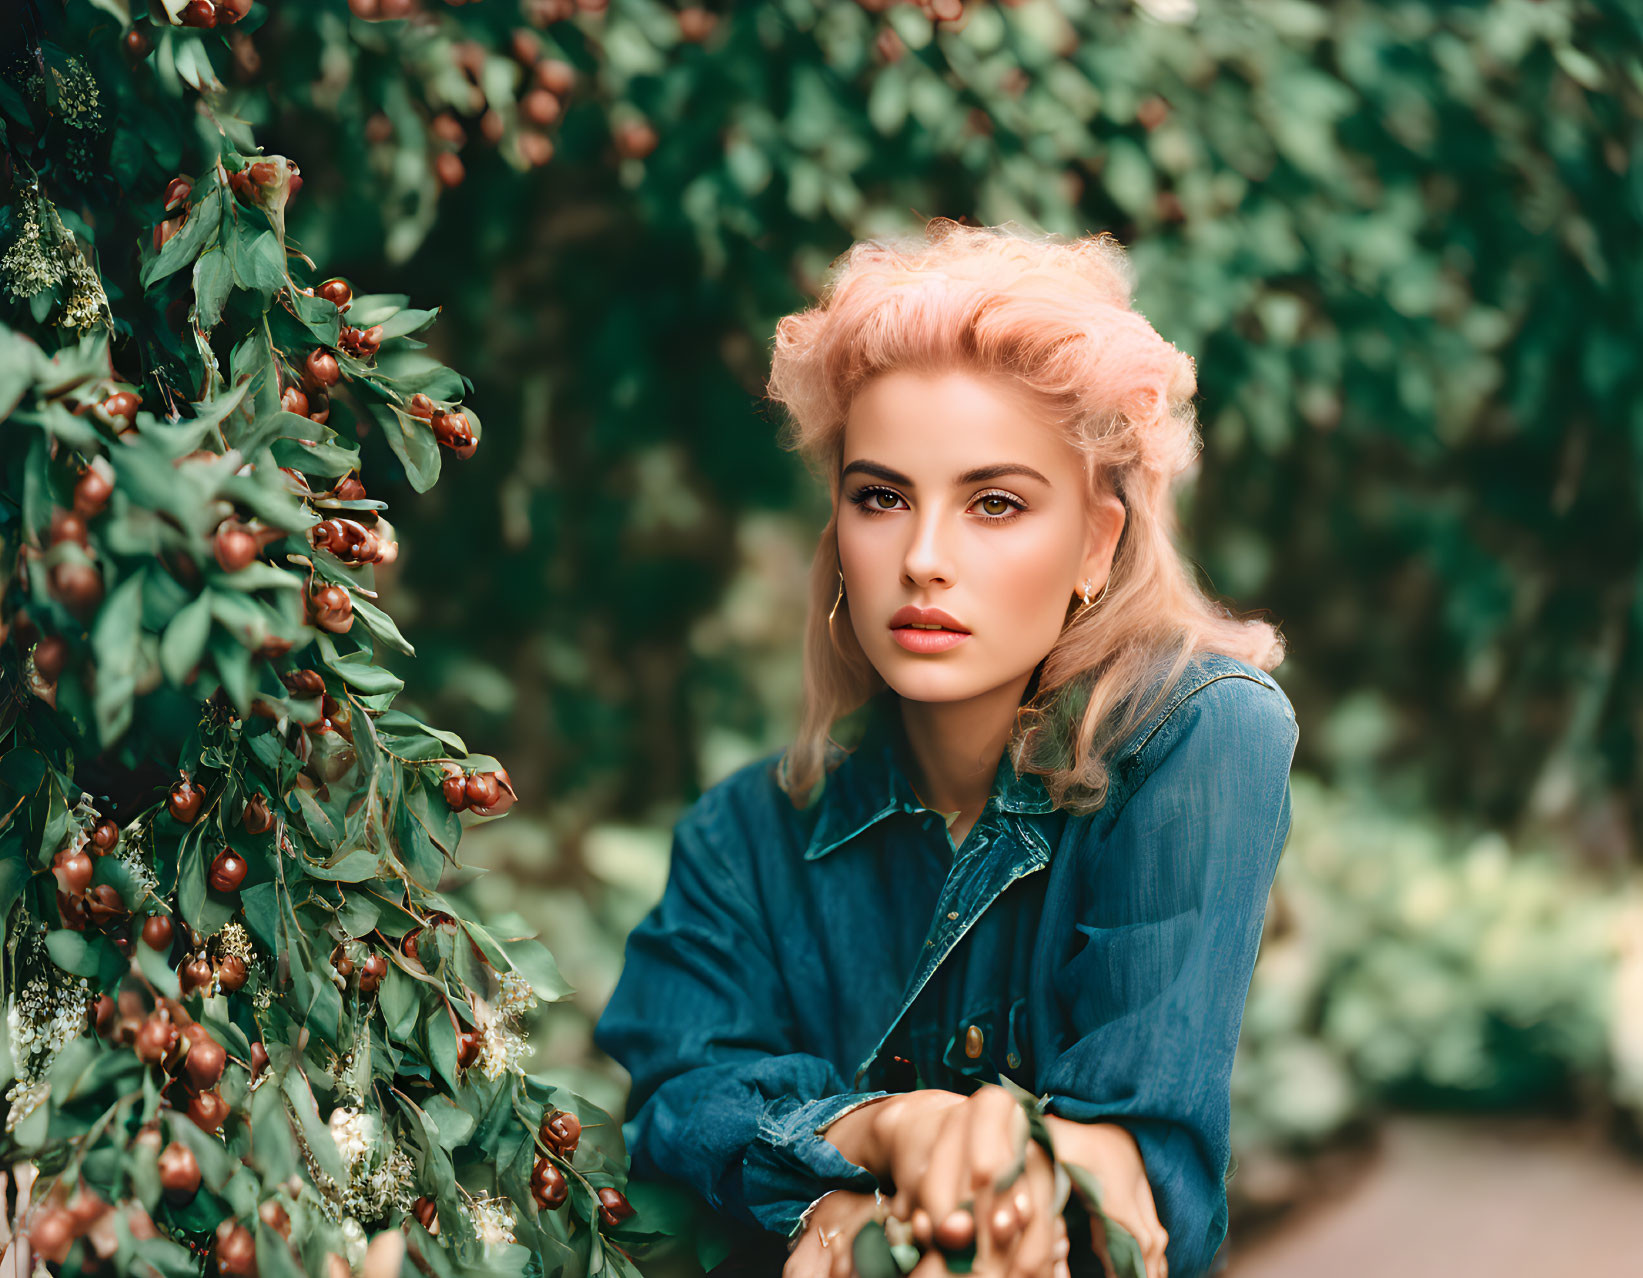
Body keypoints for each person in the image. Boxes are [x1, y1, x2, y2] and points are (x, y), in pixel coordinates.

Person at [593, 219, 1299, 1278]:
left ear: (1096, 540)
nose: (922, 559)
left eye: (995, 503)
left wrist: (869, 1209)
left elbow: (1145, 1189)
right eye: (880, 498)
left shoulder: (1195, 740)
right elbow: (675, 1101)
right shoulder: (743, 836)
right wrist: (879, 1134)